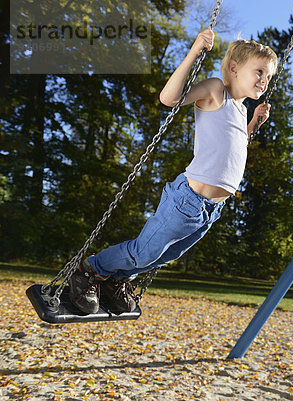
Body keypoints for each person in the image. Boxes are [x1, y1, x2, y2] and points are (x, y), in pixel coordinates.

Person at [68, 29, 278, 315]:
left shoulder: (242, 110)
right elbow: (169, 98)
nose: (265, 81)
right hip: (187, 201)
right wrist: (194, 52)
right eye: (260, 72)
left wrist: (253, 124)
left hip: (210, 210)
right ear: (234, 68)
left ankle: (115, 280)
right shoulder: (217, 91)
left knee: (162, 257)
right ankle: (90, 269)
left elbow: (234, 148)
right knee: (144, 251)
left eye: (269, 76)